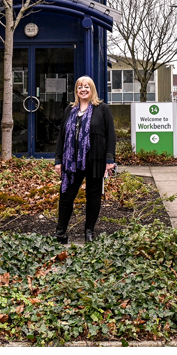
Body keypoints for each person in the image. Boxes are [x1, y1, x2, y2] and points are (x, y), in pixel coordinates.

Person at [52, 76, 115, 243]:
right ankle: (61, 232)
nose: (83, 89)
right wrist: (58, 160)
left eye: (87, 86)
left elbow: (111, 136)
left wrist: (110, 159)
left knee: (93, 196)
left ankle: (89, 232)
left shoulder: (102, 109)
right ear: (76, 91)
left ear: (92, 89)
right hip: (71, 161)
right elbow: (61, 137)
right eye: (80, 87)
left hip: (95, 160)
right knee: (66, 195)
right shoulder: (70, 110)